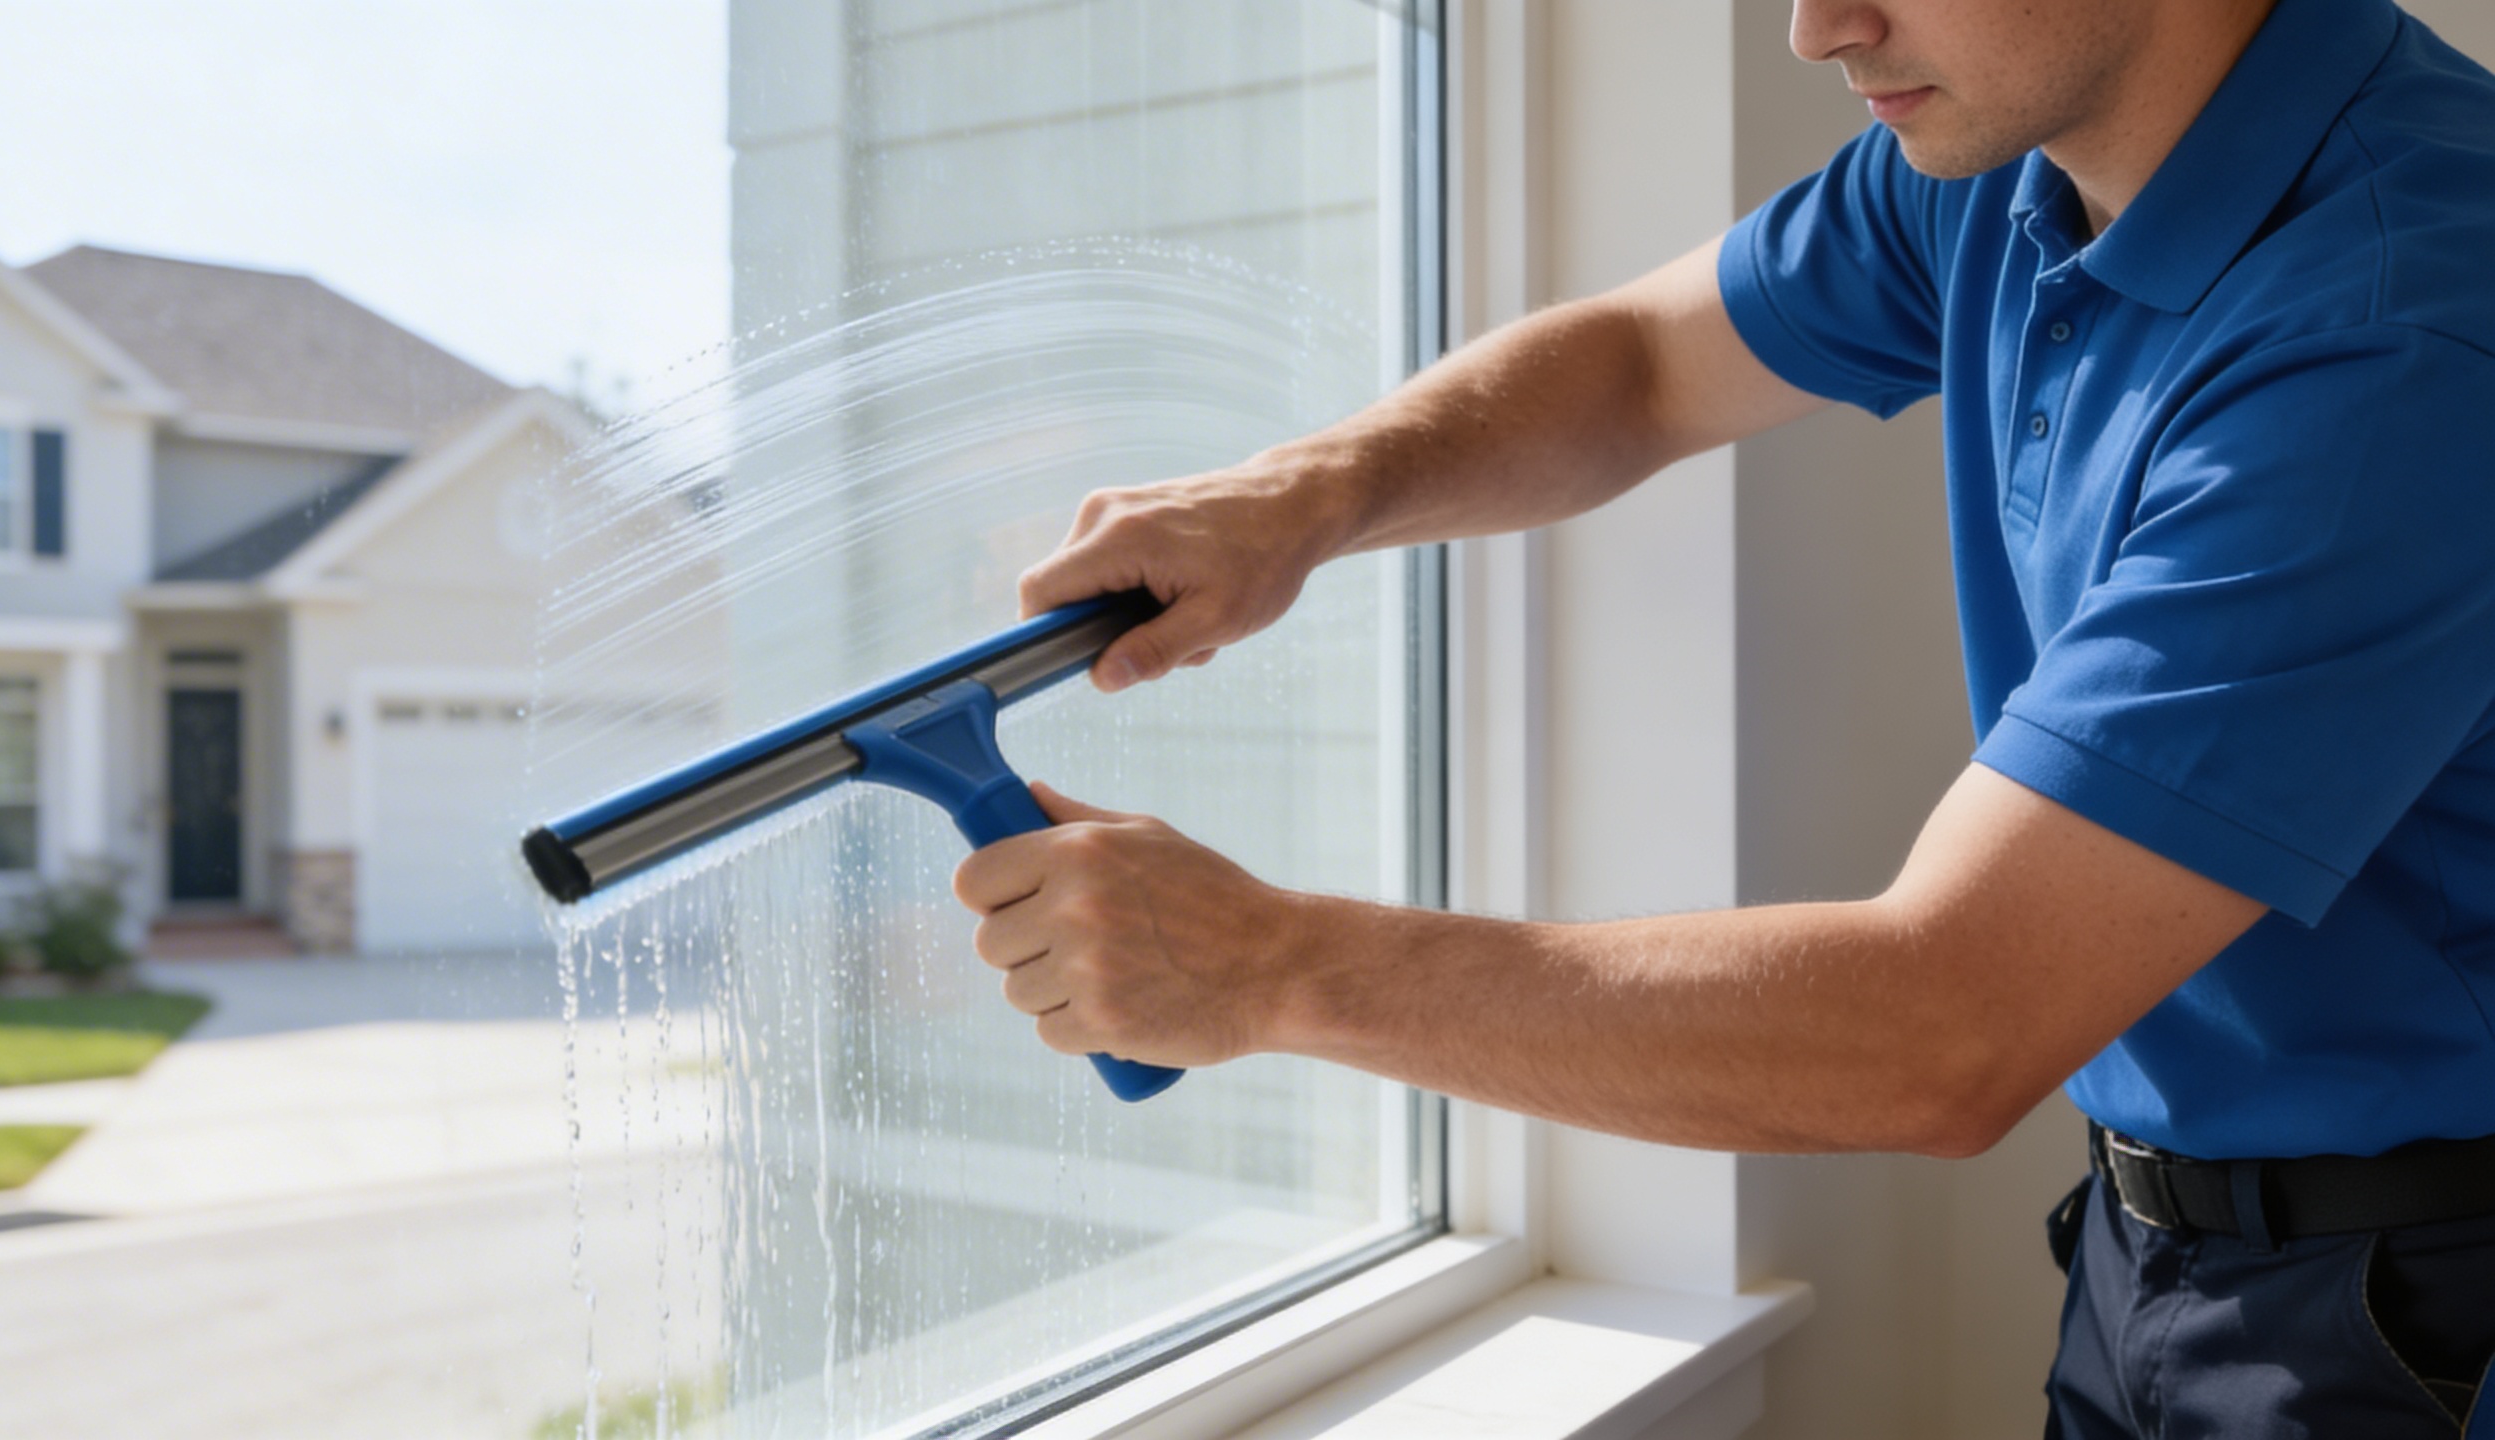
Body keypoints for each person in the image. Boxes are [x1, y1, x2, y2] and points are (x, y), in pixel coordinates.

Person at [952, 0, 2495, 1432]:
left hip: (2418, 1306)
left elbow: (1938, 1026)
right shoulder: (2014, 161)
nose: (1817, 27)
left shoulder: (2395, 329)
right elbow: (1639, 366)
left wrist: (1271, 969)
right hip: (2150, 1242)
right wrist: (1304, 495)